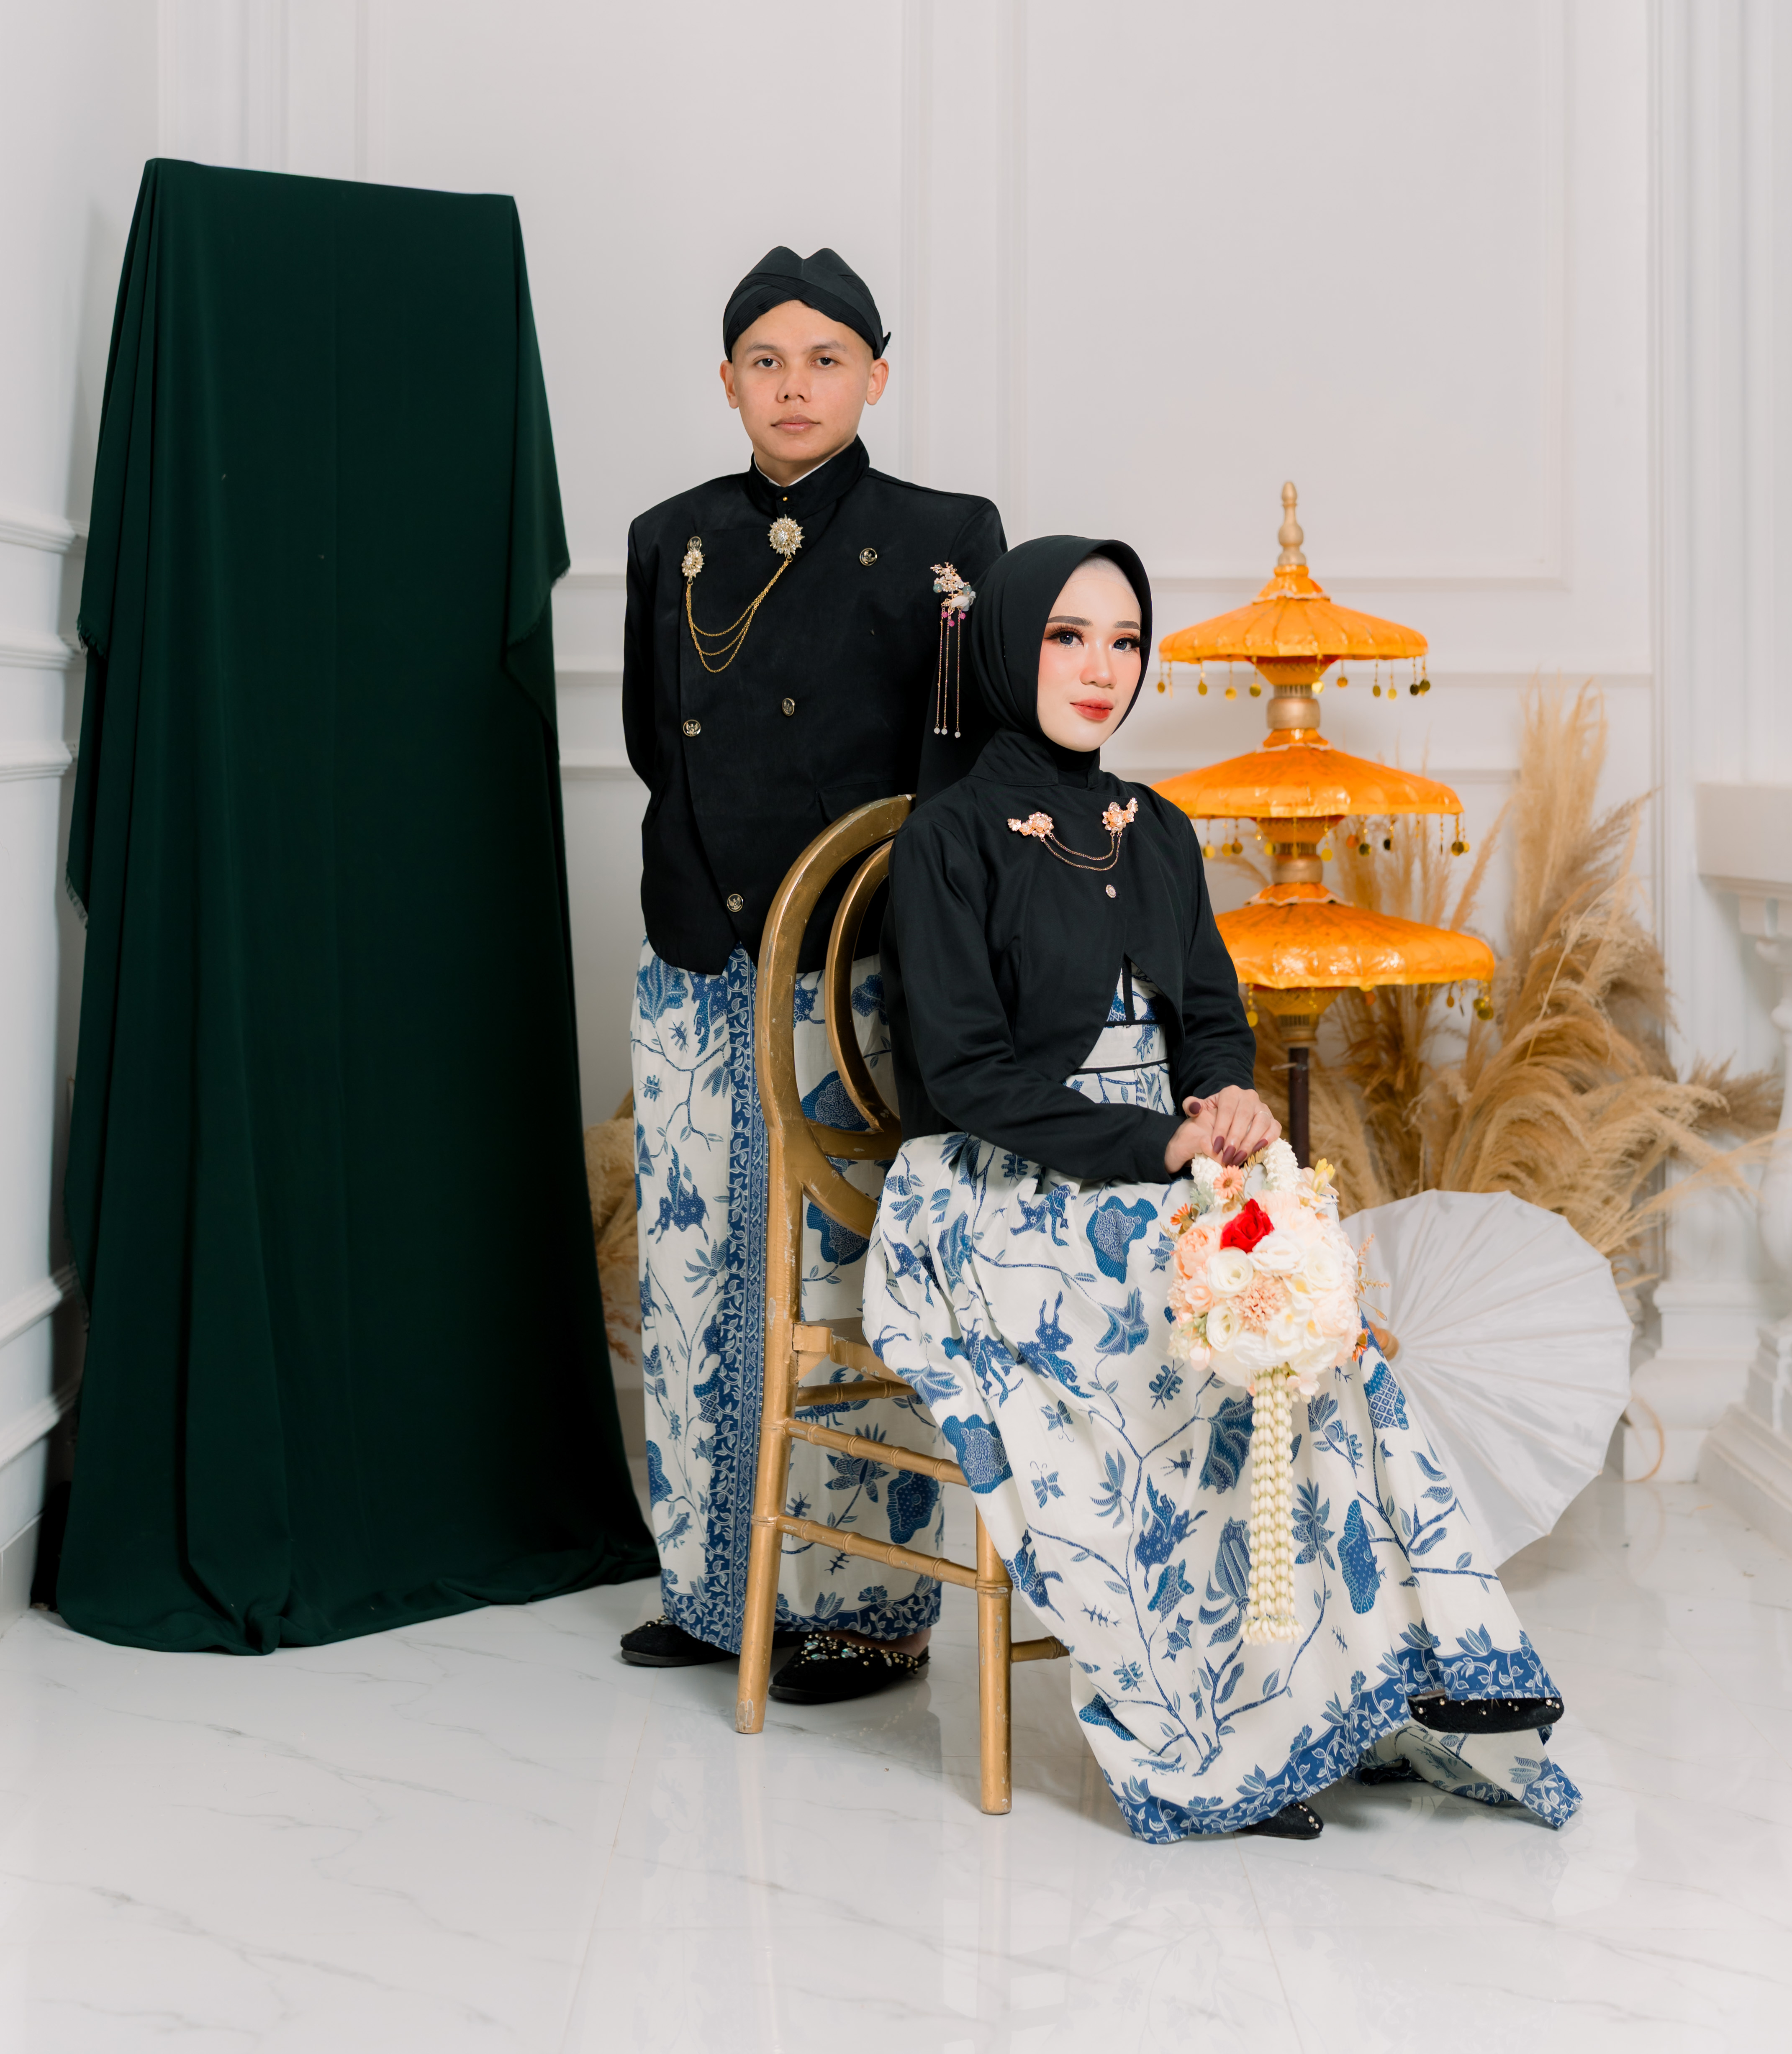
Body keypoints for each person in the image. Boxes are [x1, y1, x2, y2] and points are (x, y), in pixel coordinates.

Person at [863, 535, 1579, 1838]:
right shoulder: (948, 838)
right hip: (996, 1188)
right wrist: (1156, 1148)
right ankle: (1220, 1734)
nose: (1101, 669)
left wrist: (1227, 1101)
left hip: (1165, 1167)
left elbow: (1206, 1020)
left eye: (1124, 641)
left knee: (1307, 1315)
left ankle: (1366, 1685)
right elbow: (964, 1077)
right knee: (1184, 1332)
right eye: (1067, 637)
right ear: (1008, 646)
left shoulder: (1157, 829)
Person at [621, 245, 1004, 1699]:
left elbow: (960, 766)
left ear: (875, 378)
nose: (795, 386)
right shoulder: (671, 536)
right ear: (728, 382)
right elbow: (655, 739)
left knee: (851, 1285)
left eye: (825, 360)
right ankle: (714, 1591)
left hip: (856, 970)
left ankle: (865, 1611)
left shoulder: (943, 535)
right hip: (700, 961)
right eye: (766, 362)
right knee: (693, 1281)